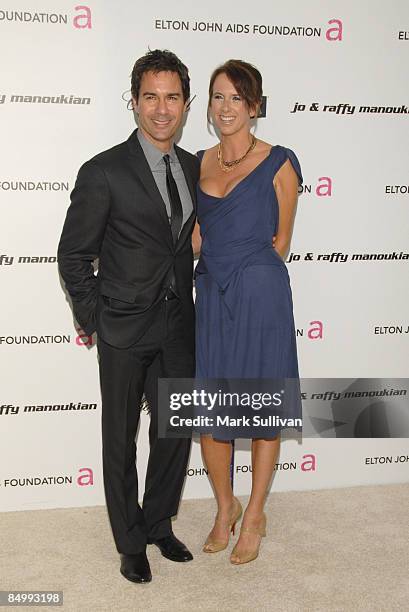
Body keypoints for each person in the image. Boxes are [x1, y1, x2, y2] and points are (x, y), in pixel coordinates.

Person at [58, 49, 200, 583]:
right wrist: (94, 315)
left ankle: (159, 523)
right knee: (119, 440)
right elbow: (73, 254)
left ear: (185, 104)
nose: (161, 109)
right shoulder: (103, 171)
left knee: (173, 432)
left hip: (178, 325)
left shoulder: (192, 166)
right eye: (150, 97)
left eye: (172, 97)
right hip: (121, 326)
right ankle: (130, 540)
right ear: (134, 102)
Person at [192, 59, 302, 565]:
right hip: (212, 294)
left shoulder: (279, 162)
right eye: (218, 96)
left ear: (255, 106)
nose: (226, 106)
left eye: (238, 97)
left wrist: (243, 267)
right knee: (212, 410)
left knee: (261, 406)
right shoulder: (200, 162)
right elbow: (197, 237)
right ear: (209, 106)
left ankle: (255, 513)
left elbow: (281, 241)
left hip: (259, 294)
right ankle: (225, 507)